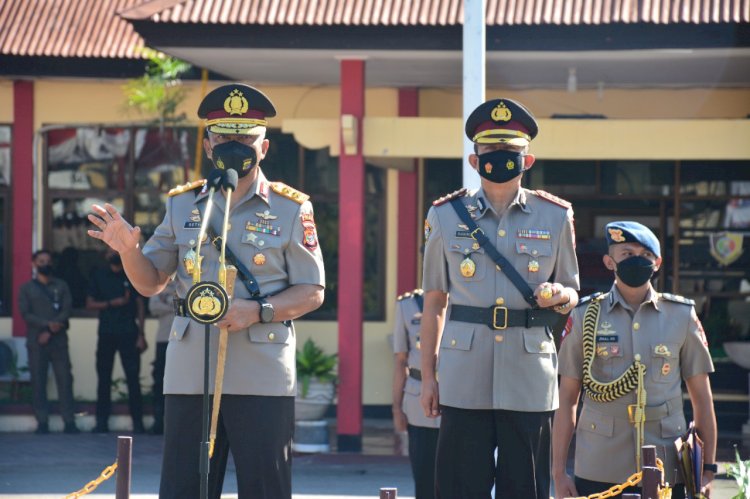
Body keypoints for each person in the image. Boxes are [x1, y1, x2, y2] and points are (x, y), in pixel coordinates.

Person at [86, 83, 325, 499]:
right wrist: (129, 250)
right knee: (184, 487)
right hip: (191, 368)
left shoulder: (291, 208)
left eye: (244, 138)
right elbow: (151, 281)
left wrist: (259, 309)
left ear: (263, 147)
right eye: (224, 136)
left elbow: (312, 290)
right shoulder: (184, 203)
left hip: (261, 370)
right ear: (209, 143)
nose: (234, 145)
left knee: (265, 486)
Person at [419, 98, 580, 498]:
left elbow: (573, 289)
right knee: (459, 488)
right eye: (490, 151)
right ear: (474, 160)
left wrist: (561, 294)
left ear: (528, 160)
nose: (501, 159)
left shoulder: (556, 216)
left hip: (529, 375)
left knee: (524, 488)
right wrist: (428, 377)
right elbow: (435, 302)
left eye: (511, 152)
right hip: (463, 374)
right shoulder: (445, 215)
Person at [552, 221, 717, 499]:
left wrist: (708, 469)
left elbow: (702, 398)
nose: (637, 260)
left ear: (658, 263)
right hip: (600, 463)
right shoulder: (584, 316)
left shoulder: (681, 316)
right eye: (627, 254)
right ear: (609, 261)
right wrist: (558, 472)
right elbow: (568, 398)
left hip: (668, 461)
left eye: (645, 255)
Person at [86, 247, 147, 433]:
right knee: (103, 379)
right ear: (105, 255)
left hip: (129, 332)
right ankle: (101, 423)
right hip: (106, 333)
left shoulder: (131, 274)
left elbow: (140, 306)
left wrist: (141, 334)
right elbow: (89, 304)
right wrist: (112, 303)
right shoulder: (99, 275)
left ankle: (138, 424)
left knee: (133, 379)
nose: (113, 254)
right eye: (110, 251)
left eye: (117, 251)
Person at [18, 249, 78, 434]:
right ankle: (42, 422)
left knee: (65, 380)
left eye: (48, 260)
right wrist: (47, 326)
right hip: (37, 341)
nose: (45, 264)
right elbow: (25, 313)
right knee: (38, 381)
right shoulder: (26, 288)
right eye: (41, 261)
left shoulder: (61, 285)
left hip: (59, 340)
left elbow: (67, 309)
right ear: (34, 264)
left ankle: (69, 422)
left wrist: (53, 328)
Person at [392, 288, 440, 499]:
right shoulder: (406, 305)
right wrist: (396, 408)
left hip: (454, 398)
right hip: (417, 400)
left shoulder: (462, 299)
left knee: (456, 476)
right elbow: (401, 361)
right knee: (423, 475)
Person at [147, 278, 178, 435]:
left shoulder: (186, 286)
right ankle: (158, 422)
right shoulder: (160, 287)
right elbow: (153, 307)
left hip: (182, 341)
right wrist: (177, 307)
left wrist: (166, 305)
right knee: (160, 382)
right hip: (163, 339)